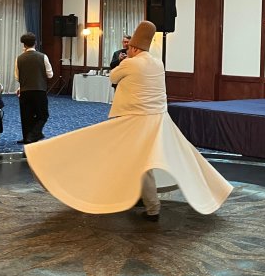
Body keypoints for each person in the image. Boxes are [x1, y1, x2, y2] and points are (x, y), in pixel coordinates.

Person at [25, 21, 232, 221]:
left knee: (116, 153)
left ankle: (148, 206)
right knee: (168, 158)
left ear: (133, 47)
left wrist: (124, 60)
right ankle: (140, 197)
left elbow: (113, 77)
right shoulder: (158, 63)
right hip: (158, 120)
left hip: (135, 122)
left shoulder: (131, 63)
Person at [15, 32, 54, 145]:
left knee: (26, 116)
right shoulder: (43, 57)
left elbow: (17, 77)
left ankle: (27, 137)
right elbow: (50, 75)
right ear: (35, 43)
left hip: (25, 91)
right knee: (43, 115)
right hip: (39, 91)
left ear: (24, 45)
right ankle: (33, 135)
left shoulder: (19, 58)